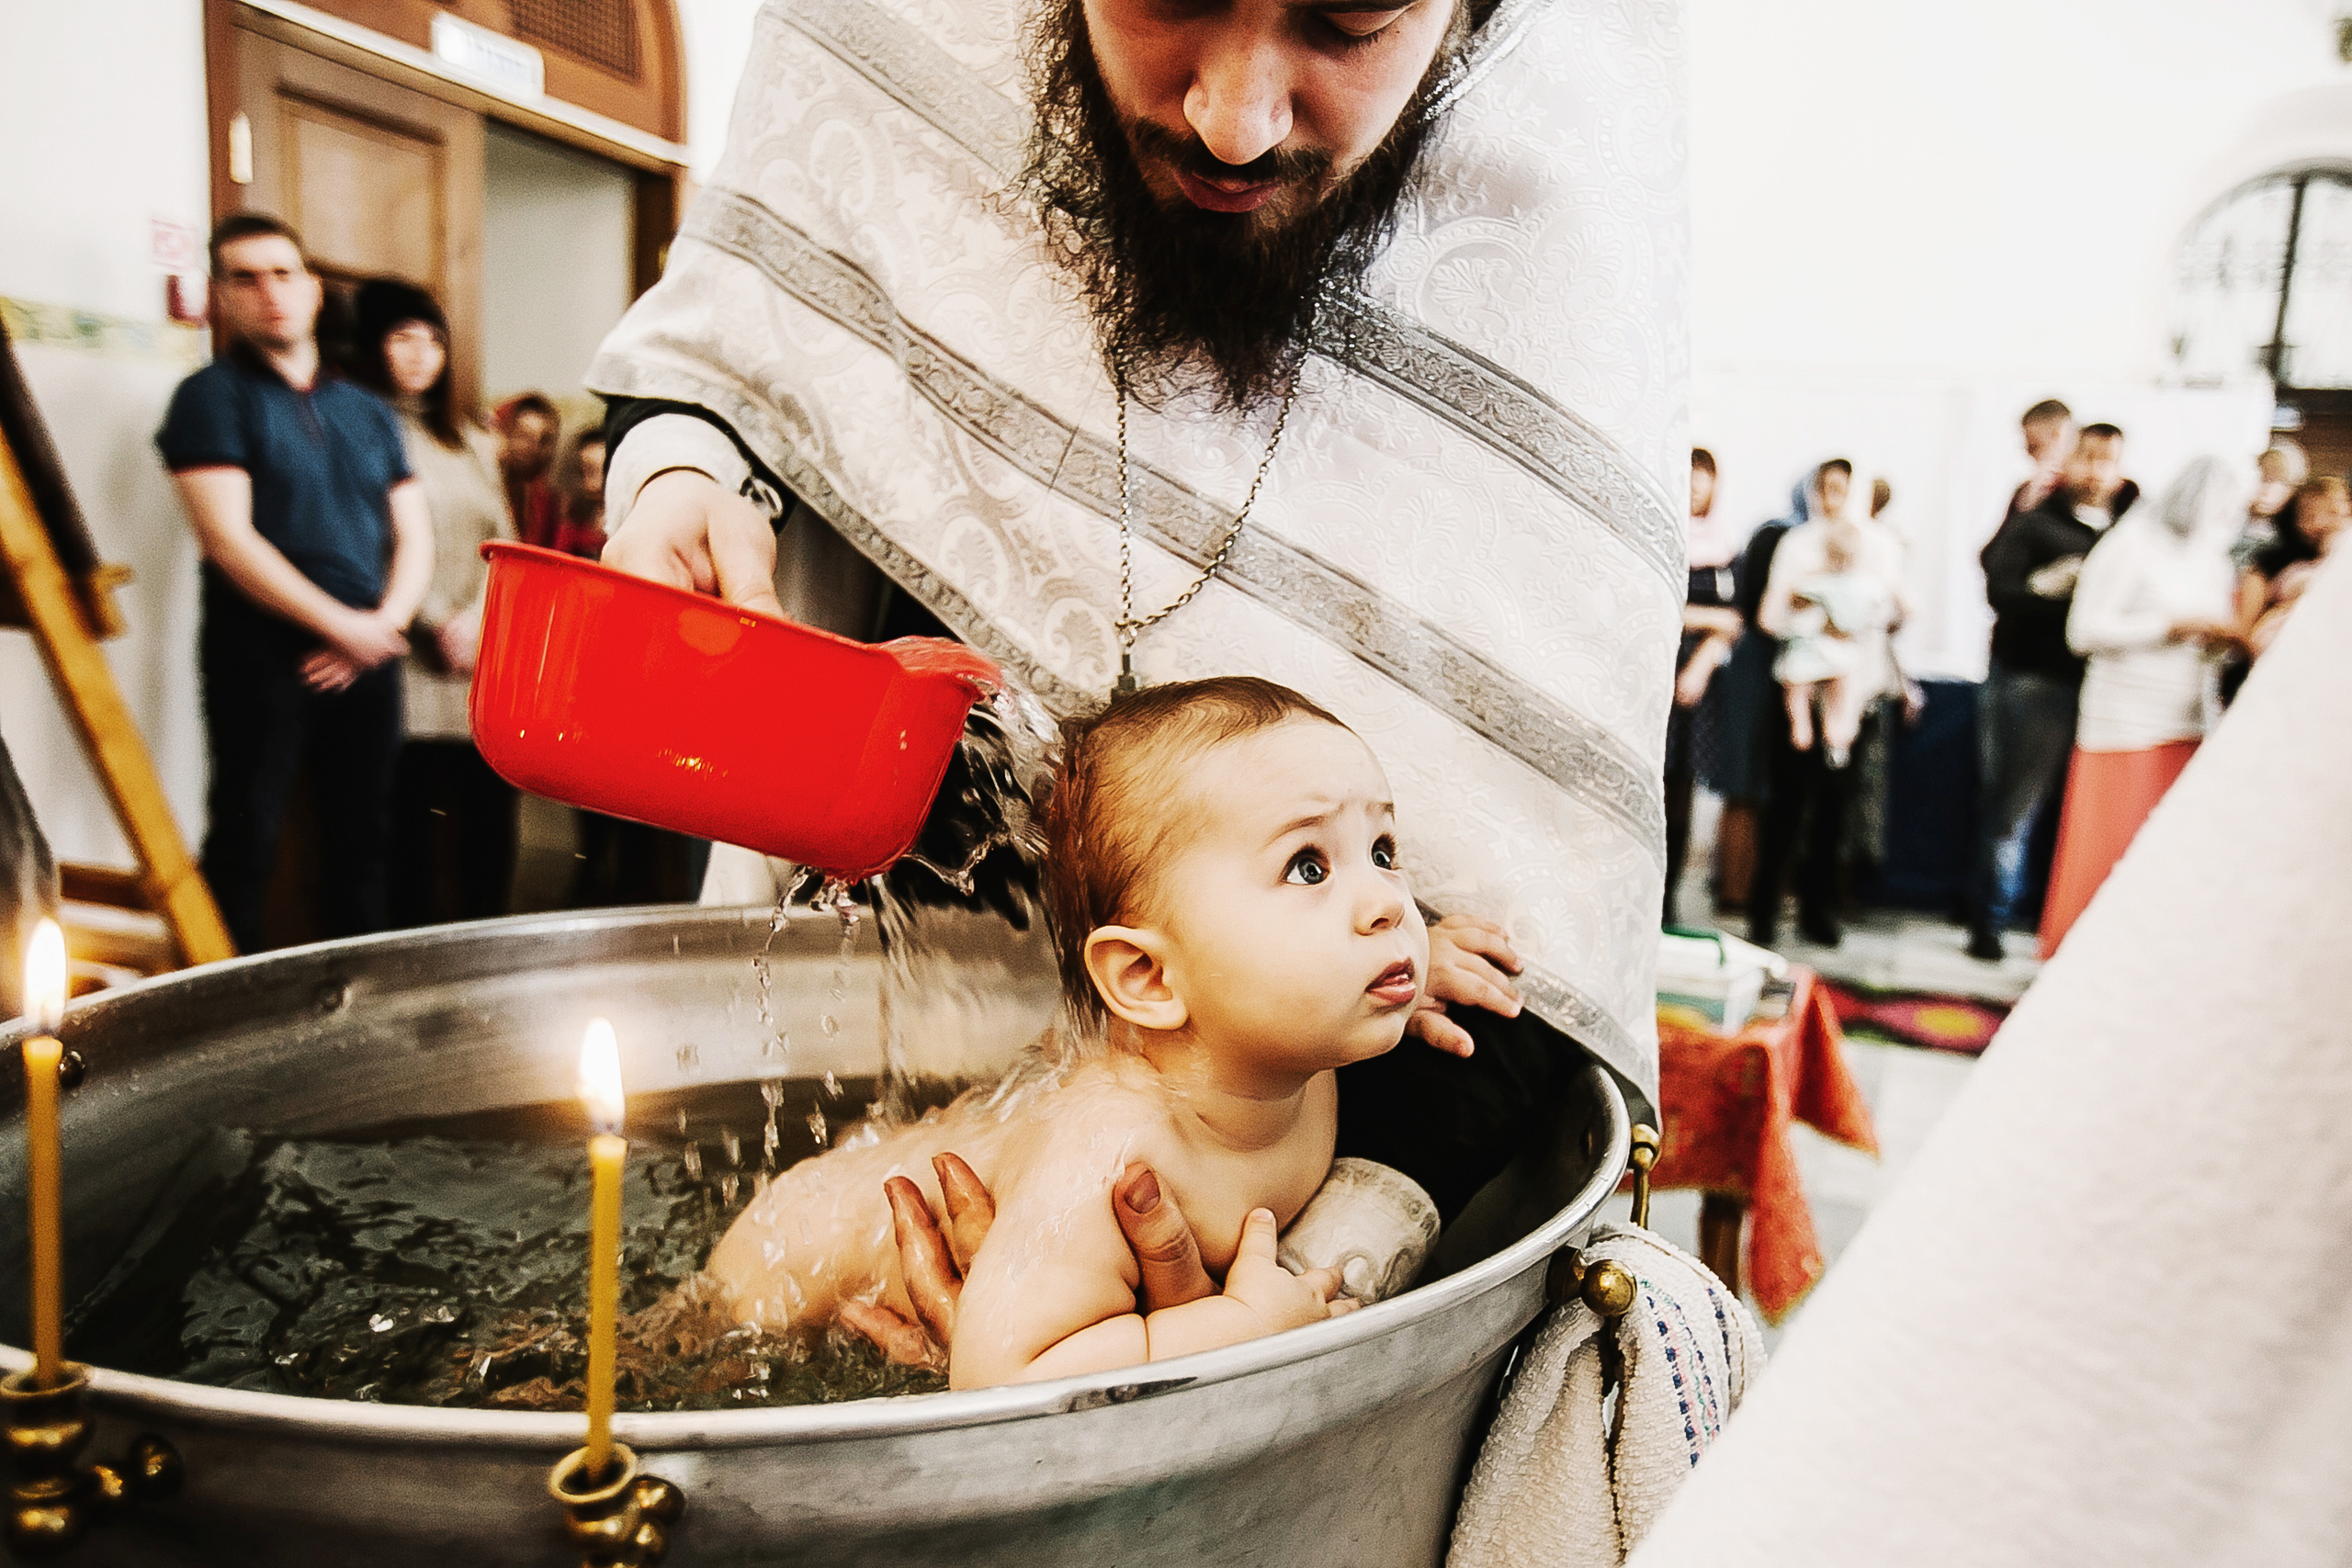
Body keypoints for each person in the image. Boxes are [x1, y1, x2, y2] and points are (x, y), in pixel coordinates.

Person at [705, 678, 1527, 1386]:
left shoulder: (1290, 1047)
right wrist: (1239, 1326)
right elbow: (1001, 1370)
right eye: (1309, 866)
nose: (1388, 905)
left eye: (1383, 850)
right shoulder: (1117, 1148)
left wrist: (1414, 965)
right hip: (784, 1267)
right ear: (1149, 978)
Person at [156, 214, 432, 954]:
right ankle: (222, 1022)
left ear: (312, 290)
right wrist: (347, 628)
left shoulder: (368, 410)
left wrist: (382, 628)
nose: (268, 292)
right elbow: (229, 540)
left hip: (373, 647)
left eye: (282, 273)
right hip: (261, 648)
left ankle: (356, 1009)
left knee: (364, 836)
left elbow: (414, 533)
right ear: (220, 296)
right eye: (244, 277)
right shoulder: (208, 397)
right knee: (248, 834)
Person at [348, 278, 518, 928]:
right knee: (409, 840)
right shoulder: (365, 429)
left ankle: (491, 948)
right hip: (409, 660)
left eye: (433, 341)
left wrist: (477, 615)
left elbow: (506, 537)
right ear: (375, 346)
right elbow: (369, 543)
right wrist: (437, 619)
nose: (421, 354)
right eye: (403, 338)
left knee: (487, 827)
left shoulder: (471, 439)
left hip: (480, 655)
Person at [2037, 457, 2245, 959]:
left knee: (2160, 854)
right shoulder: (2129, 545)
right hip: (2124, 719)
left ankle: (2142, 956)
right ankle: (2082, 953)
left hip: (2189, 717)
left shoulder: (2214, 560)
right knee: (2109, 843)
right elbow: (2082, 632)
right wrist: (2167, 627)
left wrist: (2220, 639)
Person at [1965, 421, 2130, 961]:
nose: (2096, 470)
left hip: (2109, 690)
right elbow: (2000, 586)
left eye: (2108, 460)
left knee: (2070, 811)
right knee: (2012, 805)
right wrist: (2055, 589)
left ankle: (2047, 913)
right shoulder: (2037, 522)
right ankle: (1990, 920)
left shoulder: (2130, 532)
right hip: (2033, 679)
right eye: (2087, 457)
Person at [1747, 460, 1908, 948]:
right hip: (1799, 681)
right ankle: (1764, 911)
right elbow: (1771, 617)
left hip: (1853, 692)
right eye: (1824, 489)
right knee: (1786, 805)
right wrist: (1819, 622)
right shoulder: (1796, 543)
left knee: (1836, 809)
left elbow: (1891, 613)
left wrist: (1854, 623)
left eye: (1840, 490)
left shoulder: (1881, 545)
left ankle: (1819, 911)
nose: (1830, 499)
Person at [1666, 448, 1744, 922]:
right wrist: (1701, 619)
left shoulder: (1726, 549)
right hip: (1656, 675)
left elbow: (1734, 622)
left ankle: (1669, 901)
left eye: (1704, 479)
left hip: (1697, 685)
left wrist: (1698, 665)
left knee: (1682, 794)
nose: (1696, 487)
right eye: (1688, 478)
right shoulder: (1661, 538)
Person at [2237, 474, 2346, 662]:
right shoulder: (2270, 567)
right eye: (2311, 515)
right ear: (2295, 521)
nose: (2328, 523)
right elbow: (2244, 632)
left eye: (2337, 512)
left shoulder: (2341, 560)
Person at [491, 392, 562, 550]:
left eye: (544, 440)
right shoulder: (483, 489)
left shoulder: (548, 504)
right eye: (523, 436)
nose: (532, 447)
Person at [2009, 399, 2078, 522]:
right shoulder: (2029, 490)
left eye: (2035, 446)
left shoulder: (2080, 490)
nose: (2028, 453)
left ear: (2059, 436)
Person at [550, 430, 607, 559]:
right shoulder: (572, 526)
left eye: (601, 471)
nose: (595, 481)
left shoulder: (624, 520)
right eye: (587, 471)